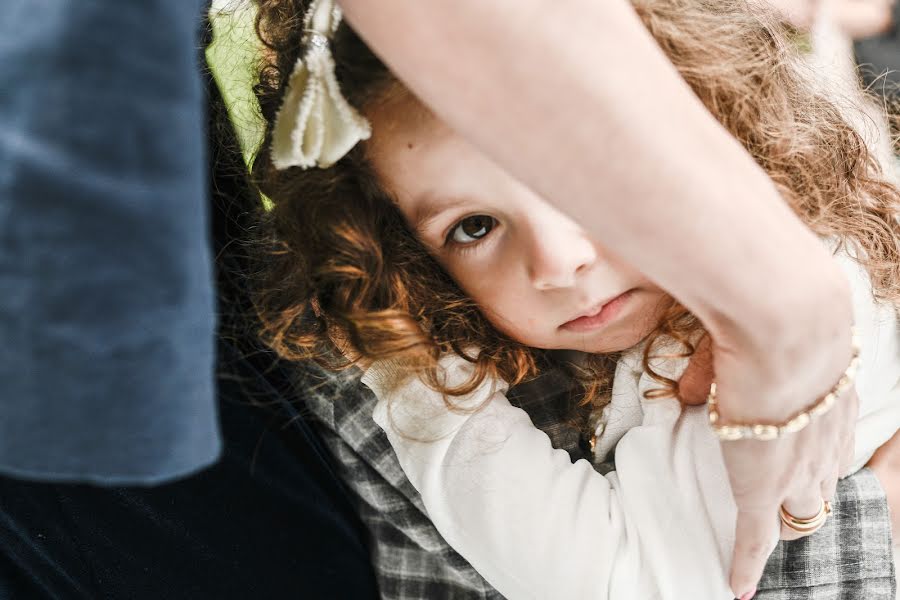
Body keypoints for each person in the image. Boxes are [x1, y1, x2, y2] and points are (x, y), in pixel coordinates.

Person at [251, 0, 899, 598]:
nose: (558, 262)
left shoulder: (803, 283)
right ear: (406, 261)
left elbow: (628, 582)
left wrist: (400, 357)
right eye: (473, 227)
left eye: (586, 185)